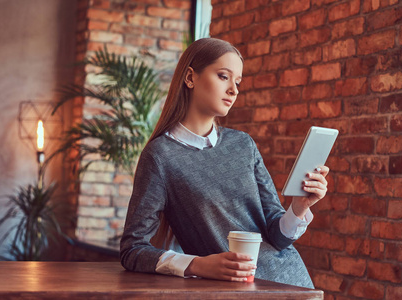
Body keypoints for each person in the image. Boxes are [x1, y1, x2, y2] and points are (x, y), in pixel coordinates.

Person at [120, 38, 329, 288]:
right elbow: (133, 249)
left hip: (293, 284)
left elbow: (277, 235)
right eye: (223, 76)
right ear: (190, 78)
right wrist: (197, 264)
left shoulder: (243, 144)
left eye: (237, 82)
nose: (234, 90)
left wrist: (299, 208)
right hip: (234, 291)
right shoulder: (160, 156)